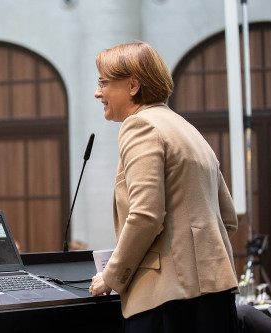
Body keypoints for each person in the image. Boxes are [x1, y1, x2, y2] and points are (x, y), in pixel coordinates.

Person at [88, 42, 239, 333]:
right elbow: (227, 219)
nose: (98, 93)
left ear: (133, 85)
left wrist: (111, 276)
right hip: (215, 296)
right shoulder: (187, 129)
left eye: (103, 83)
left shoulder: (140, 126)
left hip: (167, 301)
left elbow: (146, 216)